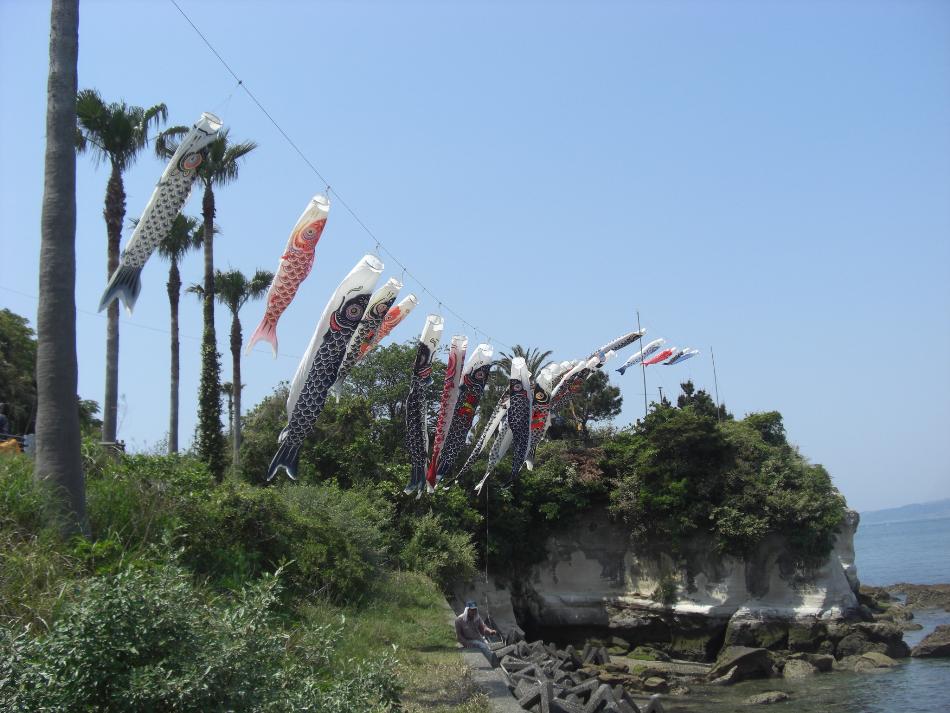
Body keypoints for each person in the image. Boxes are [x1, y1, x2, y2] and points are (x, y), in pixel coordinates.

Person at [455, 600, 499, 667]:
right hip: (468, 641)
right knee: (482, 646)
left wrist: (490, 631)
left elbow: (483, 628)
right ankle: (494, 665)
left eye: (475, 609)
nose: (473, 611)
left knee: (486, 648)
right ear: (467, 610)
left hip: (478, 638)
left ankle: (493, 662)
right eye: (472, 610)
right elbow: (459, 637)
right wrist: (466, 643)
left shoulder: (477, 618)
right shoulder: (459, 620)